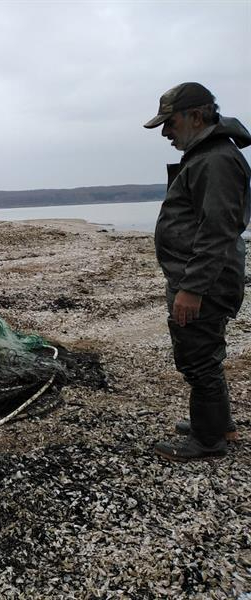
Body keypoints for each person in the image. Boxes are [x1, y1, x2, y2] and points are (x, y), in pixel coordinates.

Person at [144, 82, 250, 460]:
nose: (166, 133)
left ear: (196, 116)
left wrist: (192, 288)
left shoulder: (216, 160)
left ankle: (208, 441)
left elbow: (218, 229)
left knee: (197, 357)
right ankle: (219, 424)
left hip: (204, 281)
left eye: (169, 123)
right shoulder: (206, 156)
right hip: (203, 277)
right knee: (205, 353)